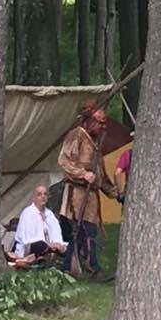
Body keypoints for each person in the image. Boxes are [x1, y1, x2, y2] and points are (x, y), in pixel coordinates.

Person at [58, 102, 117, 280]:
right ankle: (93, 268)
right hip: (77, 194)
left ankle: (67, 268)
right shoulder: (77, 135)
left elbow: (100, 176)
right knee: (85, 231)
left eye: (103, 123)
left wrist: (115, 193)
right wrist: (83, 174)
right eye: (99, 122)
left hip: (90, 196)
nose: (102, 127)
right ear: (89, 121)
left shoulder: (95, 143)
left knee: (84, 233)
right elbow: (64, 161)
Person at [13, 184, 66, 260]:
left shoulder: (50, 214)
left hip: (50, 245)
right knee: (40, 245)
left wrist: (58, 244)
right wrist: (49, 244)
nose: (43, 197)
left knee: (67, 247)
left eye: (45, 194)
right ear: (34, 198)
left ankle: (50, 252)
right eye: (39, 194)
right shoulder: (28, 213)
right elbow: (28, 239)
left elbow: (56, 232)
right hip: (31, 246)